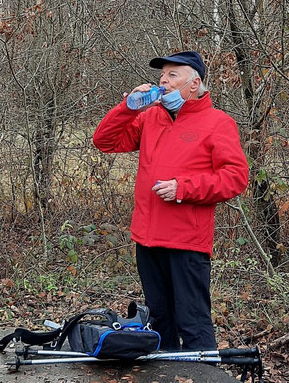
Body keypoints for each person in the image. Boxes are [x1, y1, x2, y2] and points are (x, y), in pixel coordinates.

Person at [93, 51, 249, 352]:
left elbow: (236, 177)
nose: (163, 81)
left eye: (172, 75)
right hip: (147, 239)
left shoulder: (218, 123)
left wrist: (183, 188)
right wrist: (127, 108)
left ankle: (206, 374)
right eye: (161, 76)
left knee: (193, 322)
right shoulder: (150, 118)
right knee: (159, 321)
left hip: (187, 241)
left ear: (195, 83)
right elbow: (105, 141)